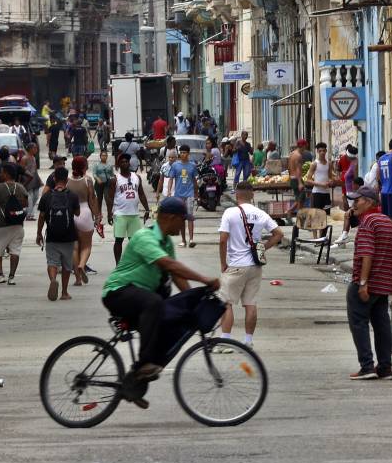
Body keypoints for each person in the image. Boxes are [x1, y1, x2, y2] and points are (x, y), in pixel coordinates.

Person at [102, 197, 220, 406]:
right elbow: (168, 264)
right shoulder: (144, 237)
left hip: (141, 298)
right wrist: (204, 279)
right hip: (118, 292)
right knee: (154, 302)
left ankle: (134, 381)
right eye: (182, 221)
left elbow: (176, 275)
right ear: (170, 218)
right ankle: (144, 364)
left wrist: (194, 300)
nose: (183, 225)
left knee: (169, 320)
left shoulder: (165, 242)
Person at [217, 181, 283, 350]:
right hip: (255, 265)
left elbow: (223, 239)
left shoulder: (230, 213)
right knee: (250, 303)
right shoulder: (260, 214)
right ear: (252, 195)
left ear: (236, 194)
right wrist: (262, 248)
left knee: (227, 303)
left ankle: (225, 341)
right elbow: (278, 234)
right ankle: (248, 340)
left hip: (236, 264)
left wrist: (223, 263)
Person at [346, 186, 392, 381]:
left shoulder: (367, 222)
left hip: (368, 284)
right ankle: (385, 367)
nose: (354, 204)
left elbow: (367, 253)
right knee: (381, 324)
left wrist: (362, 283)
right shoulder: (386, 221)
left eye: (358, 200)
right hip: (383, 285)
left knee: (359, 323)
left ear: (369, 202)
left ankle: (367, 366)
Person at [36, 167, 81, 301]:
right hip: (68, 236)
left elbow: (42, 217)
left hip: (52, 236)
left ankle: (53, 279)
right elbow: (77, 213)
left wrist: (39, 233)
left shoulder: (47, 196)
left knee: (52, 262)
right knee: (67, 265)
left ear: (54, 179)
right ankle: (64, 292)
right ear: (67, 180)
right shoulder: (72, 196)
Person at [106, 153, 152, 263]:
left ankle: (134, 262)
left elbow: (141, 194)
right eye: (122, 162)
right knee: (119, 240)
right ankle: (118, 264)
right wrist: (109, 213)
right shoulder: (115, 179)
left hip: (134, 214)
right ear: (118, 165)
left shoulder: (137, 177)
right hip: (120, 213)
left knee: (134, 241)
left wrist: (147, 209)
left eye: (126, 161)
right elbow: (110, 197)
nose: (125, 163)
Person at [0, 163, 29, 285]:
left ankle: (0, 275)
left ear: (6, 174)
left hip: (2, 224)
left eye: (1, 172)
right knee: (15, 250)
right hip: (18, 224)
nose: (0, 174)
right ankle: (11, 277)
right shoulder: (21, 187)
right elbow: (25, 204)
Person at [61, 155, 99, 284]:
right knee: (86, 246)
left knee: (74, 247)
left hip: (70, 215)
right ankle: (82, 265)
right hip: (84, 213)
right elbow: (92, 200)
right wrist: (97, 216)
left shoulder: (66, 181)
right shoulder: (87, 180)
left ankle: (77, 279)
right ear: (84, 166)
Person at [166, 144, 199, 247]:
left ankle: (191, 239)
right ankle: (183, 240)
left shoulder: (192, 165)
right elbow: (171, 179)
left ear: (188, 154)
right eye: (181, 152)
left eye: (185, 152)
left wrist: (197, 194)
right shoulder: (175, 165)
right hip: (178, 195)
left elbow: (194, 180)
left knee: (190, 216)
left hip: (189, 194)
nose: (183, 154)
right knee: (180, 218)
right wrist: (169, 191)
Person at [303, 142, 336, 209]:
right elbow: (308, 180)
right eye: (320, 151)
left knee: (327, 213)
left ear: (326, 151)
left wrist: (331, 181)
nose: (322, 152)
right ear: (317, 151)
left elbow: (330, 177)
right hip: (317, 193)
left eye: (324, 151)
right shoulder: (314, 164)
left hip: (326, 193)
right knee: (317, 214)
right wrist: (321, 184)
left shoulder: (329, 164)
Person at [21, 142, 42, 221]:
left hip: (35, 180)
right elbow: (22, 170)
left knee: (36, 197)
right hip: (27, 180)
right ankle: (29, 215)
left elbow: (35, 169)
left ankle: (27, 211)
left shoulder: (33, 157)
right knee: (29, 197)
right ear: (30, 149)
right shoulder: (24, 158)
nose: (36, 149)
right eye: (35, 148)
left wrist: (39, 179)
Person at [288, 139, 308, 210]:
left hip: (292, 178)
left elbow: (289, 167)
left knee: (298, 198)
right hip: (297, 179)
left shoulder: (292, 154)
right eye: (305, 146)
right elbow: (298, 170)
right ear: (303, 146)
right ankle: (297, 214)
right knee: (301, 199)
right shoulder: (298, 156)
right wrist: (300, 183)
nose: (305, 148)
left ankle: (290, 211)